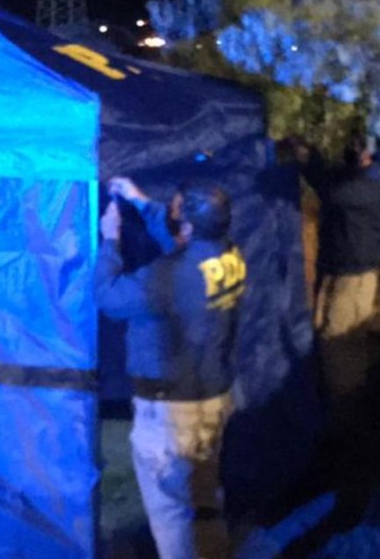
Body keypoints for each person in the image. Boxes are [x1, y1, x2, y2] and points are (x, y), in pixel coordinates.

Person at [95, 180, 246, 559]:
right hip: (213, 398)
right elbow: (179, 241)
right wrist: (138, 199)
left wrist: (110, 241)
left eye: (176, 211)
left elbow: (108, 297)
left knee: (173, 515)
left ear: (190, 227)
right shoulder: (228, 255)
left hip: (172, 417)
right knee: (202, 498)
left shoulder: (169, 276)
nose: (170, 214)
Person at [292, 136, 380, 439]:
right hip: (339, 271)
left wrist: (308, 159)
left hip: (353, 278)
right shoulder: (356, 176)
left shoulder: (371, 183)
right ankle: (337, 411)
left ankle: (347, 423)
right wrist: (308, 155)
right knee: (327, 334)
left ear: (370, 155)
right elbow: (326, 178)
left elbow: (331, 190)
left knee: (339, 342)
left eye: (360, 145)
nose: (352, 147)